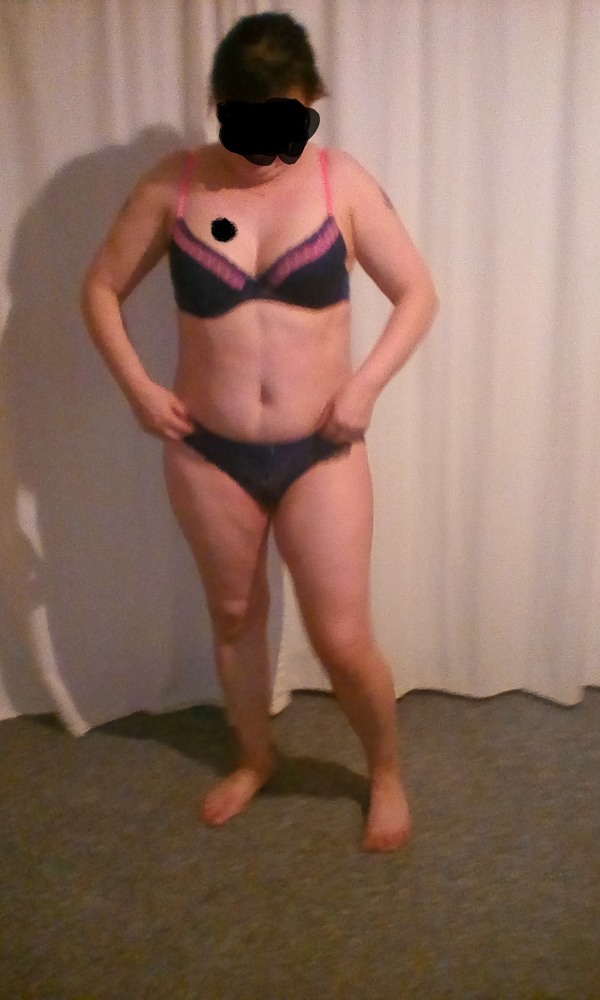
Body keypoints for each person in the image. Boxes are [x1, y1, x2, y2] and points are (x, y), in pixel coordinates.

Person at [81, 12, 438, 852]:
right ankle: (256, 757)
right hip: (207, 451)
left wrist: (366, 385)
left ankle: (385, 771)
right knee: (236, 615)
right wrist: (137, 387)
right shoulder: (173, 186)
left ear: (311, 103)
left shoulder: (342, 183)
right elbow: (99, 288)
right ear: (219, 107)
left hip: (322, 450)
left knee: (341, 636)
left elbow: (418, 294)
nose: (264, 149)